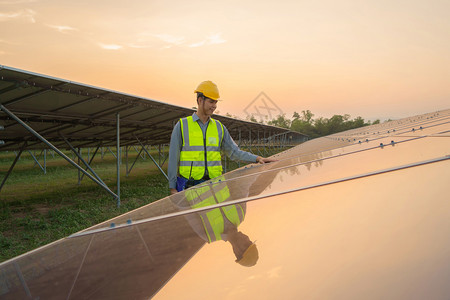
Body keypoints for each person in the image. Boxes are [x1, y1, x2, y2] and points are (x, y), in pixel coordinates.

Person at [168, 80, 276, 195]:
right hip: (190, 187)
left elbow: (234, 152)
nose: (214, 106)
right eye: (211, 102)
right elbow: (173, 158)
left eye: (216, 102)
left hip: (215, 186)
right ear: (200, 100)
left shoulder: (219, 127)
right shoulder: (182, 126)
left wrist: (257, 158)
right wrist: (172, 188)